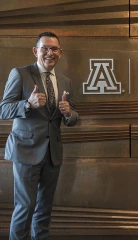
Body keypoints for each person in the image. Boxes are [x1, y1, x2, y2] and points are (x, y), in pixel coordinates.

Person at [0, 31, 79, 240]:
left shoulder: (65, 81)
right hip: (26, 151)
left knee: (44, 210)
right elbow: (3, 109)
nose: (49, 53)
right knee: (25, 207)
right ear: (36, 51)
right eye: (45, 48)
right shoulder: (20, 73)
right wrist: (27, 104)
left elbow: (72, 117)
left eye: (54, 49)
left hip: (52, 154)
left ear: (60, 53)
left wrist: (69, 114)